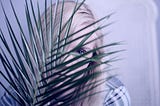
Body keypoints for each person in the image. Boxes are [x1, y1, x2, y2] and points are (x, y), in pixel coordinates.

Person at [0, 1, 131, 106]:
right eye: (58, 46)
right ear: (40, 46)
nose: (65, 61)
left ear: (94, 57)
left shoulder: (111, 96)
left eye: (80, 51)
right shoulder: (18, 96)